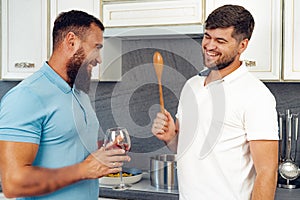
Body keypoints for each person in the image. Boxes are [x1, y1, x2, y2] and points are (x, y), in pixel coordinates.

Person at [152, 5, 278, 200]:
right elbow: (187, 150)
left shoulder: (256, 96)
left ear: (242, 45)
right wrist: (171, 138)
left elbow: (267, 172)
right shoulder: (192, 86)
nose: (210, 46)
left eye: (220, 40)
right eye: (207, 37)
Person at [0, 10, 130, 200]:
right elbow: (13, 183)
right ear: (71, 42)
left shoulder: (79, 91)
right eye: (96, 47)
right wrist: (85, 169)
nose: (99, 59)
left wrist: (103, 149)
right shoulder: (26, 97)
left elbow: (65, 144)